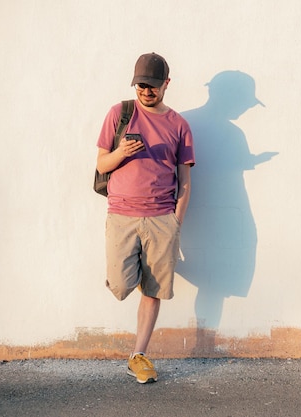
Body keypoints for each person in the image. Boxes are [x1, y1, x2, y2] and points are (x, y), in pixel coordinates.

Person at [95, 52, 195, 384]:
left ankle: (138, 355)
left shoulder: (179, 125)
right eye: (141, 85)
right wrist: (121, 153)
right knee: (122, 283)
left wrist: (175, 221)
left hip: (161, 219)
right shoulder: (119, 114)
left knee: (152, 290)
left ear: (166, 84)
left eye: (152, 86)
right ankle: (135, 271)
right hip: (122, 216)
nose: (146, 92)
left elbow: (185, 180)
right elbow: (101, 166)